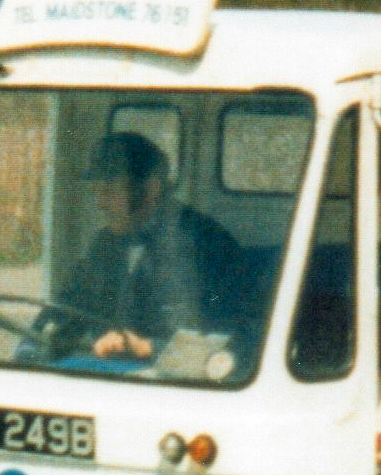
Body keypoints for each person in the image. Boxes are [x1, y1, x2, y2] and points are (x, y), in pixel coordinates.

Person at [55, 132, 243, 361]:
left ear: (152, 188)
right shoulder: (104, 244)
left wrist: (148, 347)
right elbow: (69, 305)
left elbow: (224, 342)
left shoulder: (206, 243)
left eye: (111, 190)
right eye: (96, 191)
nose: (100, 203)